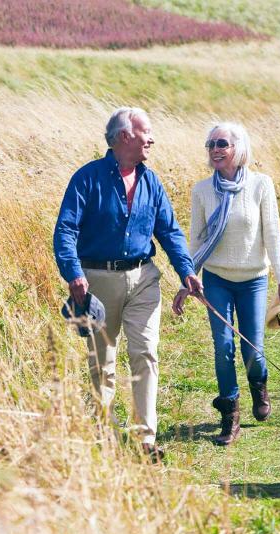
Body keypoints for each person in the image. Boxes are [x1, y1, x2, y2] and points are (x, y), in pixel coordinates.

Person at [53, 107, 202, 462]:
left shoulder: (152, 182)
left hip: (144, 278)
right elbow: (65, 231)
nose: (151, 138)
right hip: (96, 282)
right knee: (102, 362)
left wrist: (186, 270)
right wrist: (73, 273)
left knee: (145, 354)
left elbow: (168, 231)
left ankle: (145, 440)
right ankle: (99, 437)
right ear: (125, 136)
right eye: (145, 131)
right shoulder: (86, 178)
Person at [172, 122, 280, 446]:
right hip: (216, 279)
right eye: (210, 144)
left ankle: (259, 385)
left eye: (221, 143)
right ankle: (230, 415)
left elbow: (273, 236)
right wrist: (188, 279)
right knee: (223, 347)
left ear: (237, 147)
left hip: (253, 279)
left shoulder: (260, 185)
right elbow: (196, 240)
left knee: (252, 348)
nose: (214, 150)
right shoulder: (201, 190)